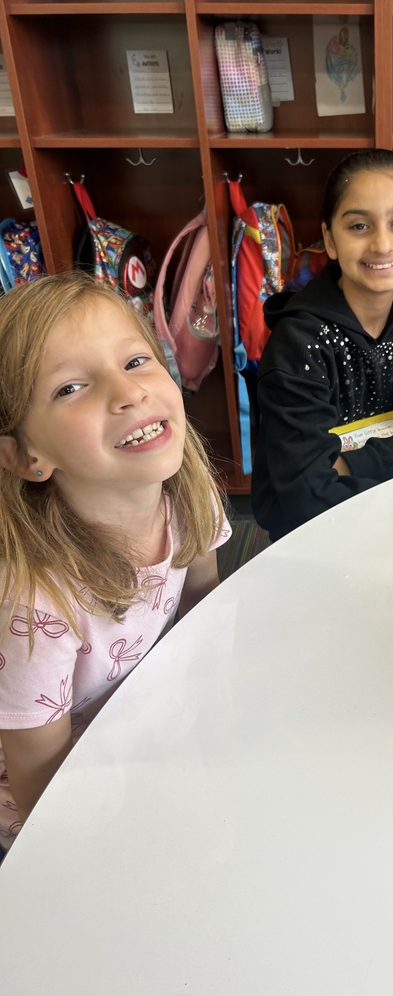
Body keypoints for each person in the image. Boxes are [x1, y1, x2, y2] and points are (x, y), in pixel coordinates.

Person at [0, 272, 229, 853]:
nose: (126, 393)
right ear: (27, 456)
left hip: (145, 725)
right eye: (70, 388)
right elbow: (38, 783)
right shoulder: (34, 605)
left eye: (135, 362)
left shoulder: (187, 492)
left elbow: (204, 610)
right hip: (68, 798)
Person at [251, 149, 393, 540]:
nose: (382, 245)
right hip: (311, 533)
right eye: (358, 227)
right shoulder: (299, 345)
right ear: (330, 241)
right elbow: (308, 493)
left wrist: (346, 463)